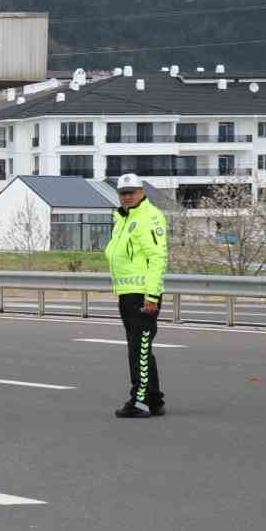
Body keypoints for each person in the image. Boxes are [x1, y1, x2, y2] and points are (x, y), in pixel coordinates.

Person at [103, 172, 168, 418]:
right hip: (127, 292)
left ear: (142, 192)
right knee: (140, 347)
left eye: (131, 192)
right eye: (123, 193)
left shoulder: (149, 217)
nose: (127, 197)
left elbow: (157, 258)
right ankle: (153, 399)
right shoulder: (123, 217)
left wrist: (151, 296)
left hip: (142, 294)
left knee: (138, 349)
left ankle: (139, 401)